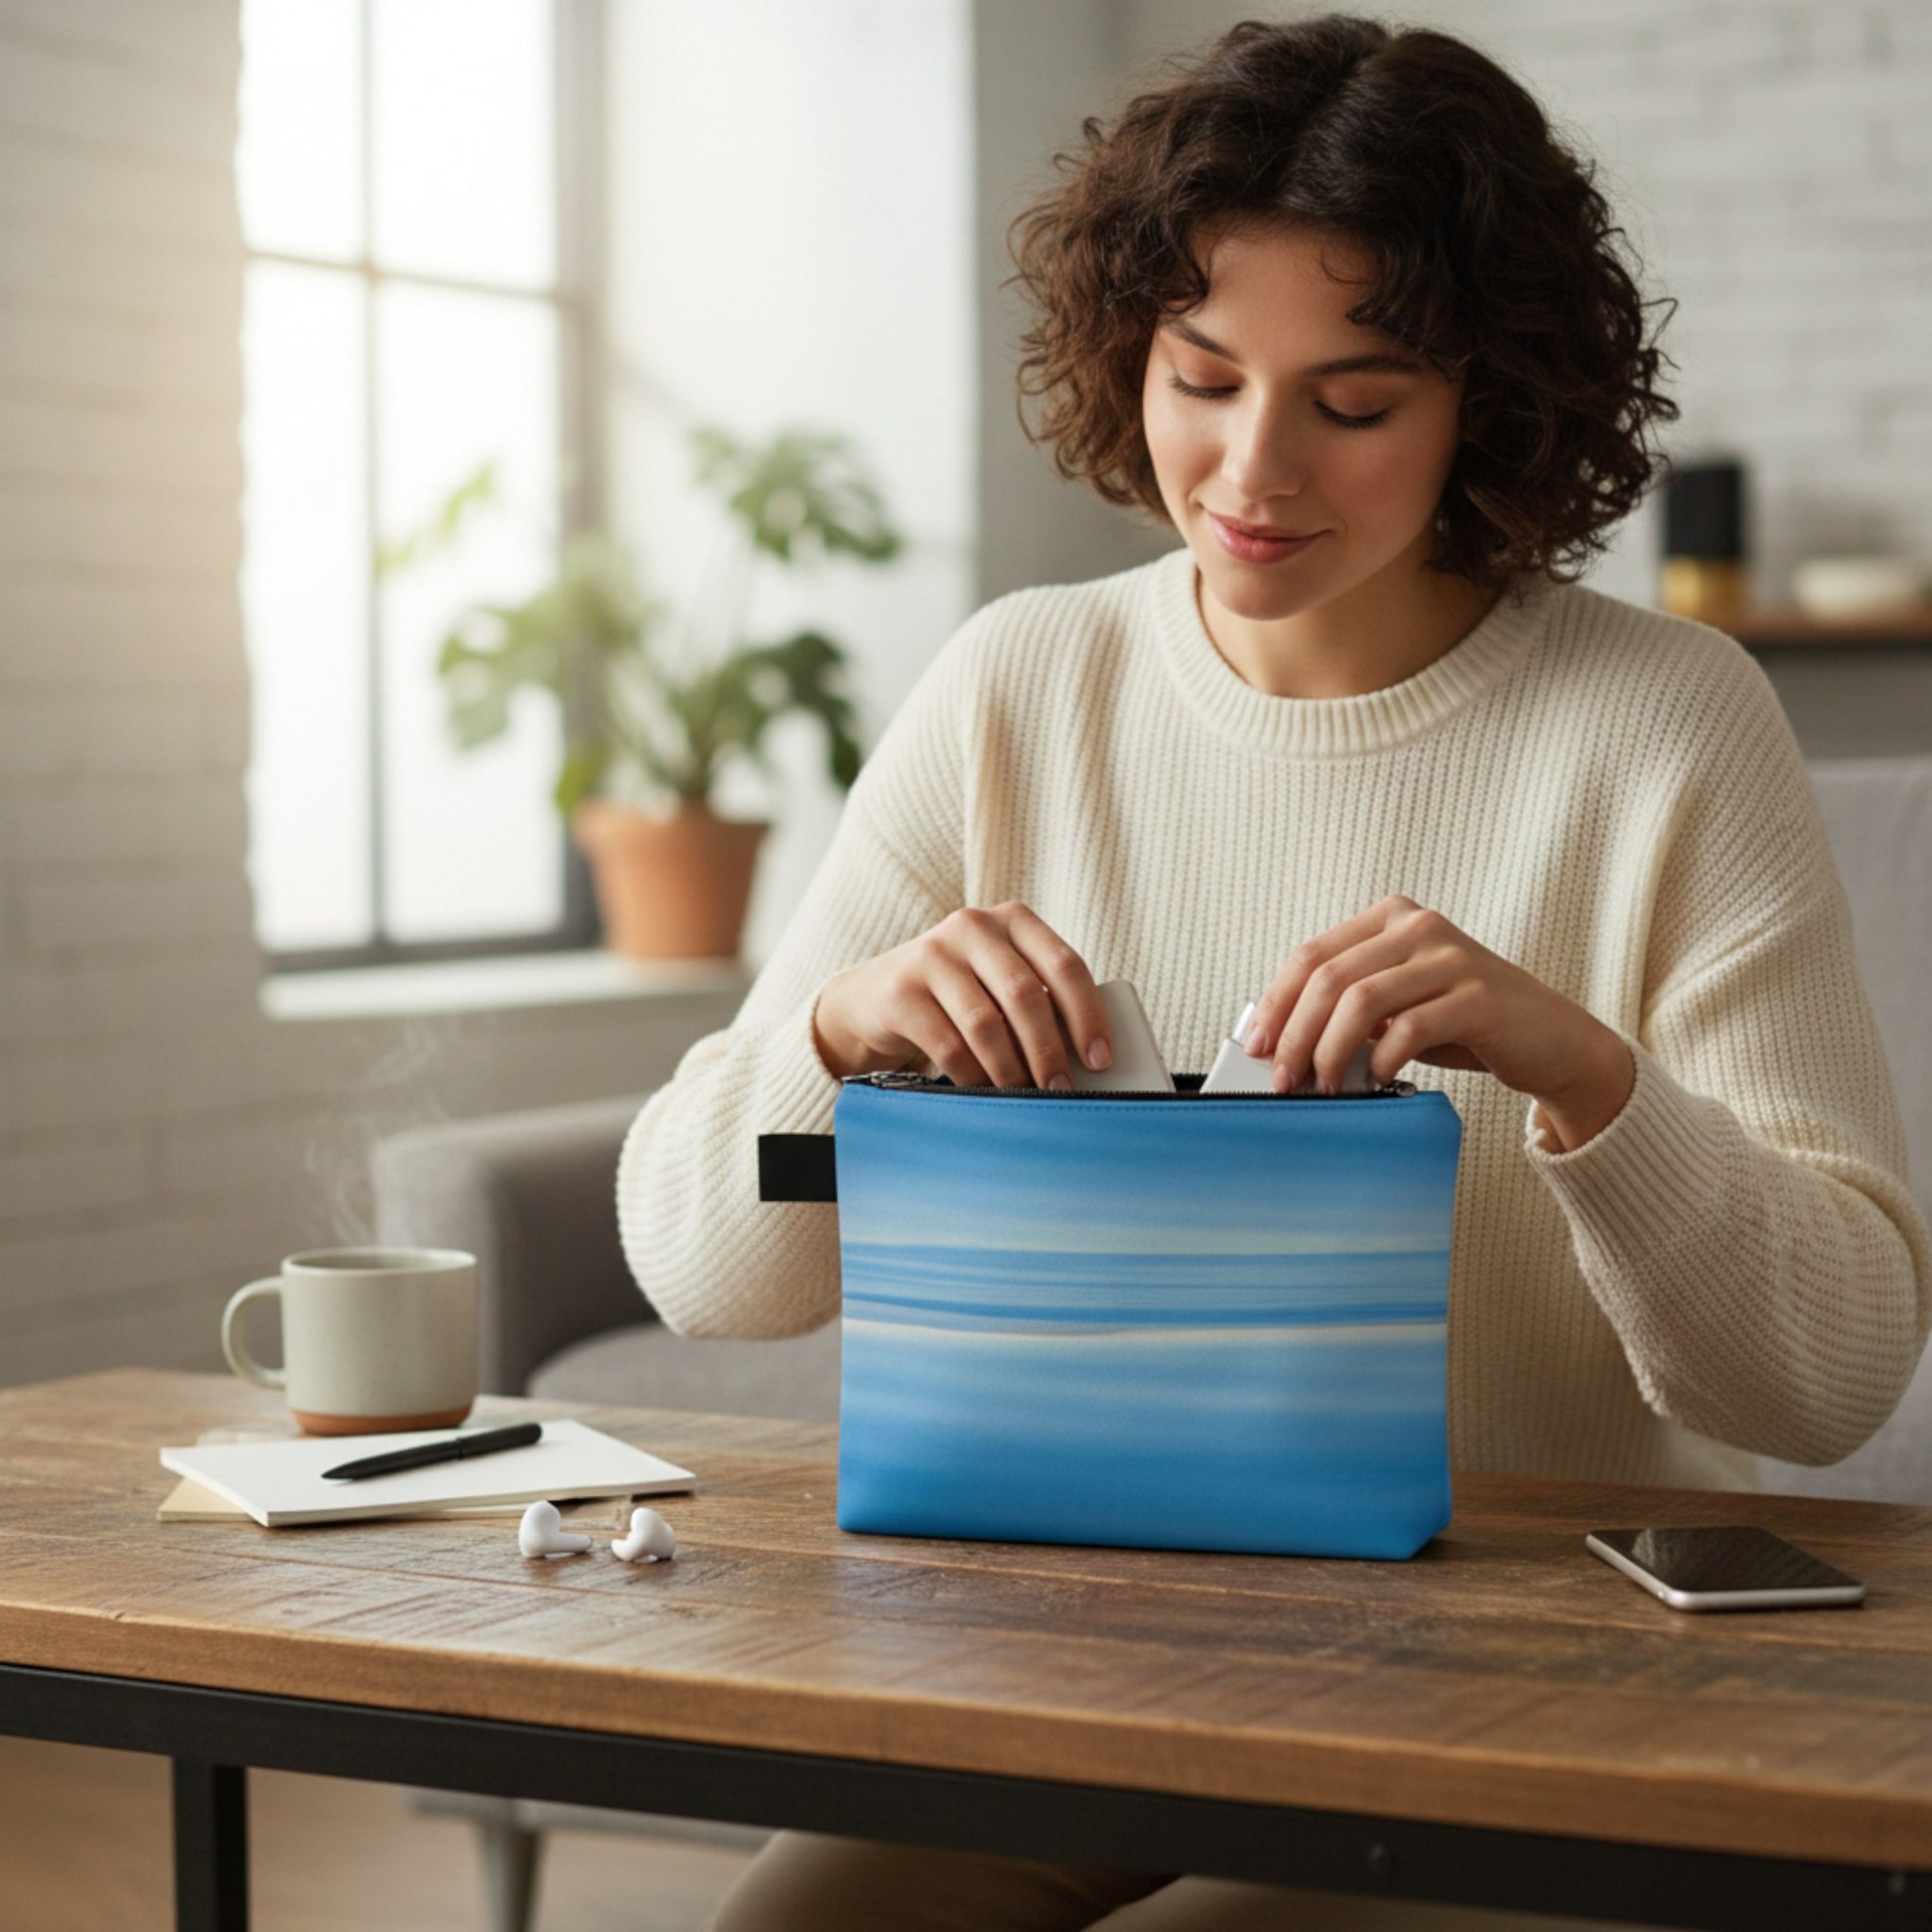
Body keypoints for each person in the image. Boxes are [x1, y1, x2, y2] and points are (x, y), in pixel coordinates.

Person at [618, 16, 1931, 1929]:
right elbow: (699, 1269)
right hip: (1082, 1653)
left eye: (1354, 398)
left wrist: (1578, 1069)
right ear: (1125, 355)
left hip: (1533, 1689)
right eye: (1202, 376)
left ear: (1488, 393)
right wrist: (833, 1029)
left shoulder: (1668, 722)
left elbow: (1829, 1374)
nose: (1250, 472)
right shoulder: (1015, 682)